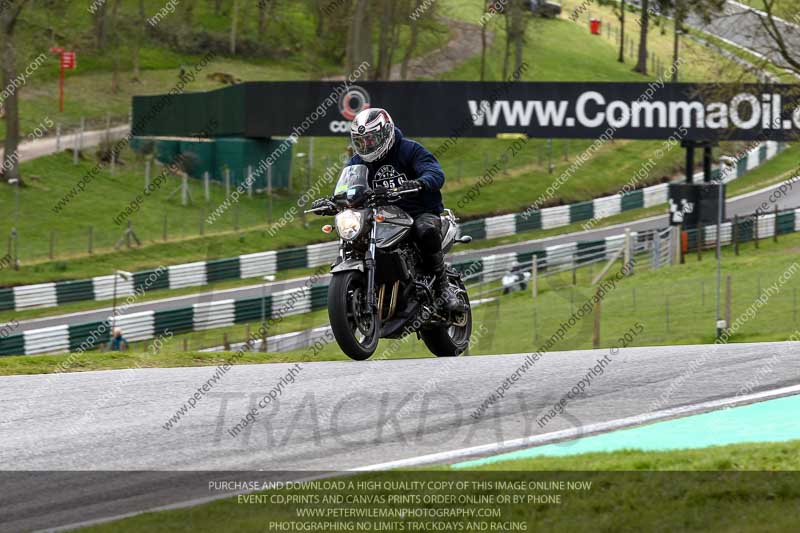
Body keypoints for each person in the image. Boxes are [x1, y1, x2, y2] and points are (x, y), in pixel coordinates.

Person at [344, 107, 460, 312]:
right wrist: (334, 200)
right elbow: (348, 185)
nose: (367, 145)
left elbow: (434, 171)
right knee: (353, 236)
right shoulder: (357, 161)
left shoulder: (409, 149)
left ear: (385, 133)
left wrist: (421, 182)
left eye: (371, 139)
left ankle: (443, 287)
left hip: (418, 211)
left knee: (425, 230)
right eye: (362, 141)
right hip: (381, 218)